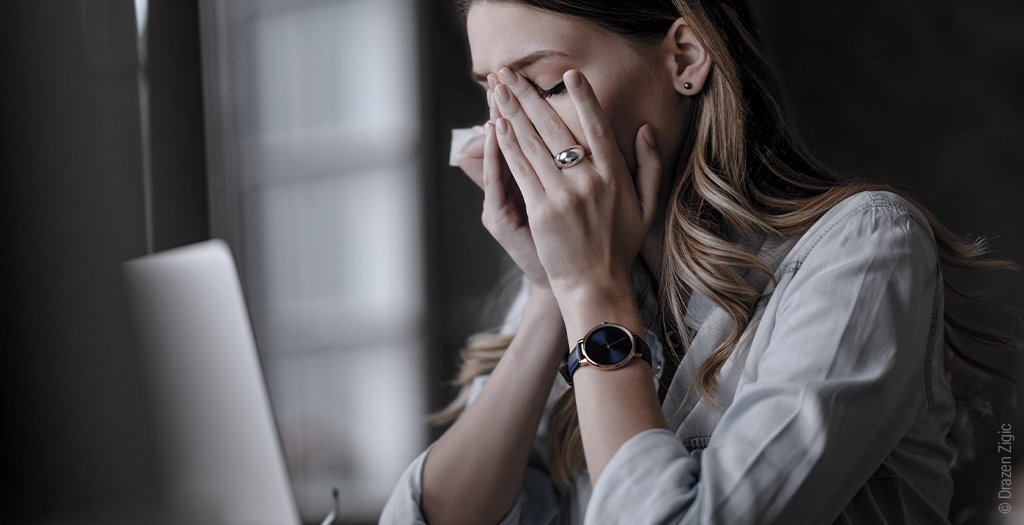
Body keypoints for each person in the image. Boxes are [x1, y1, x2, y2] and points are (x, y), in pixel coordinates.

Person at [382, 1, 1019, 523]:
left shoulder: (865, 248)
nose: (513, 136)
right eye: (496, 103)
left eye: (545, 86)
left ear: (684, 57)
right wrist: (553, 294)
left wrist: (593, 293)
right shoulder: (572, 279)